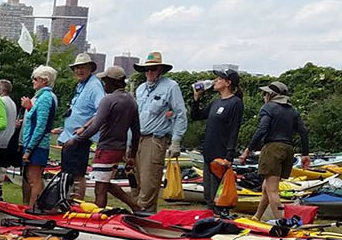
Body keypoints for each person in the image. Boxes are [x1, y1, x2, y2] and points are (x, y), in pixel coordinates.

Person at [68, 66, 141, 211]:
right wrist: (132, 155)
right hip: (119, 149)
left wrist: (76, 139)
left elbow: (96, 125)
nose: (103, 85)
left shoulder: (108, 100)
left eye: (105, 82)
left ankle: (99, 216)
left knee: (100, 189)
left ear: (111, 82)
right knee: (105, 183)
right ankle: (136, 206)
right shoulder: (131, 100)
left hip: (106, 148)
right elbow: (136, 131)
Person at [242, 80, 311, 222]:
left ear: (271, 95)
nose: (264, 96)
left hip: (272, 148)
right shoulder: (293, 111)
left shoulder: (268, 108)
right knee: (266, 187)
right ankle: (257, 217)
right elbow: (303, 132)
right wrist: (305, 154)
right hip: (288, 149)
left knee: (272, 190)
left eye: (265, 93)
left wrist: (248, 150)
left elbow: (262, 130)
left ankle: (282, 222)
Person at [132, 51, 188, 212]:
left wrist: (176, 141)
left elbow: (180, 114)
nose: (149, 72)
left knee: (150, 181)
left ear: (160, 70)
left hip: (155, 139)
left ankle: (145, 215)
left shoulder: (171, 87)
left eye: (153, 69)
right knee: (135, 181)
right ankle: (137, 213)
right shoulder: (141, 89)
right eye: (147, 69)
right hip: (138, 138)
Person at [197, 68, 245, 213]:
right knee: (208, 195)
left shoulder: (235, 103)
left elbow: (233, 130)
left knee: (219, 196)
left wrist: (229, 154)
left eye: (219, 79)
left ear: (228, 83)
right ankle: (211, 219)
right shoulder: (215, 102)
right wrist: (197, 98)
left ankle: (220, 220)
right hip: (208, 152)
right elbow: (196, 115)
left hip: (221, 153)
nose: (216, 81)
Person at [58, 54, 104, 200]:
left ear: (90, 68)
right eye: (77, 68)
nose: (79, 71)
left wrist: (84, 128)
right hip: (69, 136)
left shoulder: (94, 86)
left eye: (83, 67)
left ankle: (77, 203)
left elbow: (101, 110)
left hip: (80, 138)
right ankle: (68, 200)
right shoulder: (81, 85)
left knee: (77, 174)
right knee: (68, 172)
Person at [19, 65, 58, 206]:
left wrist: (29, 150)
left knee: (34, 179)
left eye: (35, 79)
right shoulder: (41, 97)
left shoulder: (45, 98)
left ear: (45, 81)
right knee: (31, 178)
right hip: (34, 143)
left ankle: (35, 208)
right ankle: (34, 206)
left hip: (38, 145)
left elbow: (41, 126)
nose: (33, 81)